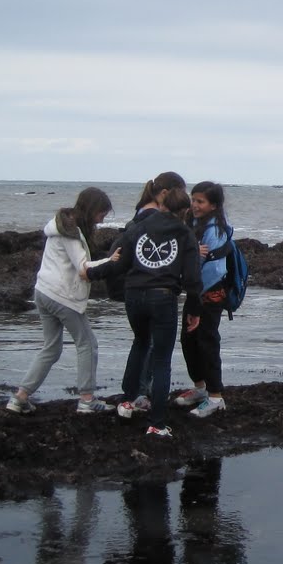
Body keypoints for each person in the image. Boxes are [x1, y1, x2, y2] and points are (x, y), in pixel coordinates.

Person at [6, 187, 121, 415]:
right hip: (62, 296)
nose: (101, 220)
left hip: (43, 292)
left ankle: (20, 397)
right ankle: (87, 400)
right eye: (101, 214)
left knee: (51, 348)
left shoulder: (59, 226)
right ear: (92, 209)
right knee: (88, 344)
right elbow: (83, 268)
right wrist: (111, 260)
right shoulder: (71, 232)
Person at [102, 187, 201, 438]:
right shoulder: (185, 235)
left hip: (133, 295)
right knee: (161, 360)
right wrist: (193, 309)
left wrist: (91, 273)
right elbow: (192, 278)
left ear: (162, 205)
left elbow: (119, 263)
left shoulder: (139, 228)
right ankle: (156, 423)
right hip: (163, 297)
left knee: (139, 343)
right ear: (185, 210)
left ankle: (127, 402)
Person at [175, 181, 233, 418]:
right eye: (193, 199)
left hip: (210, 293)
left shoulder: (216, 229)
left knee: (207, 341)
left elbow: (208, 266)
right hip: (194, 291)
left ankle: (216, 396)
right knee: (188, 340)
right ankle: (200, 388)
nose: (195, 204)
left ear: (214, 205)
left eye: (200, 201)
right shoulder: (194, 223)